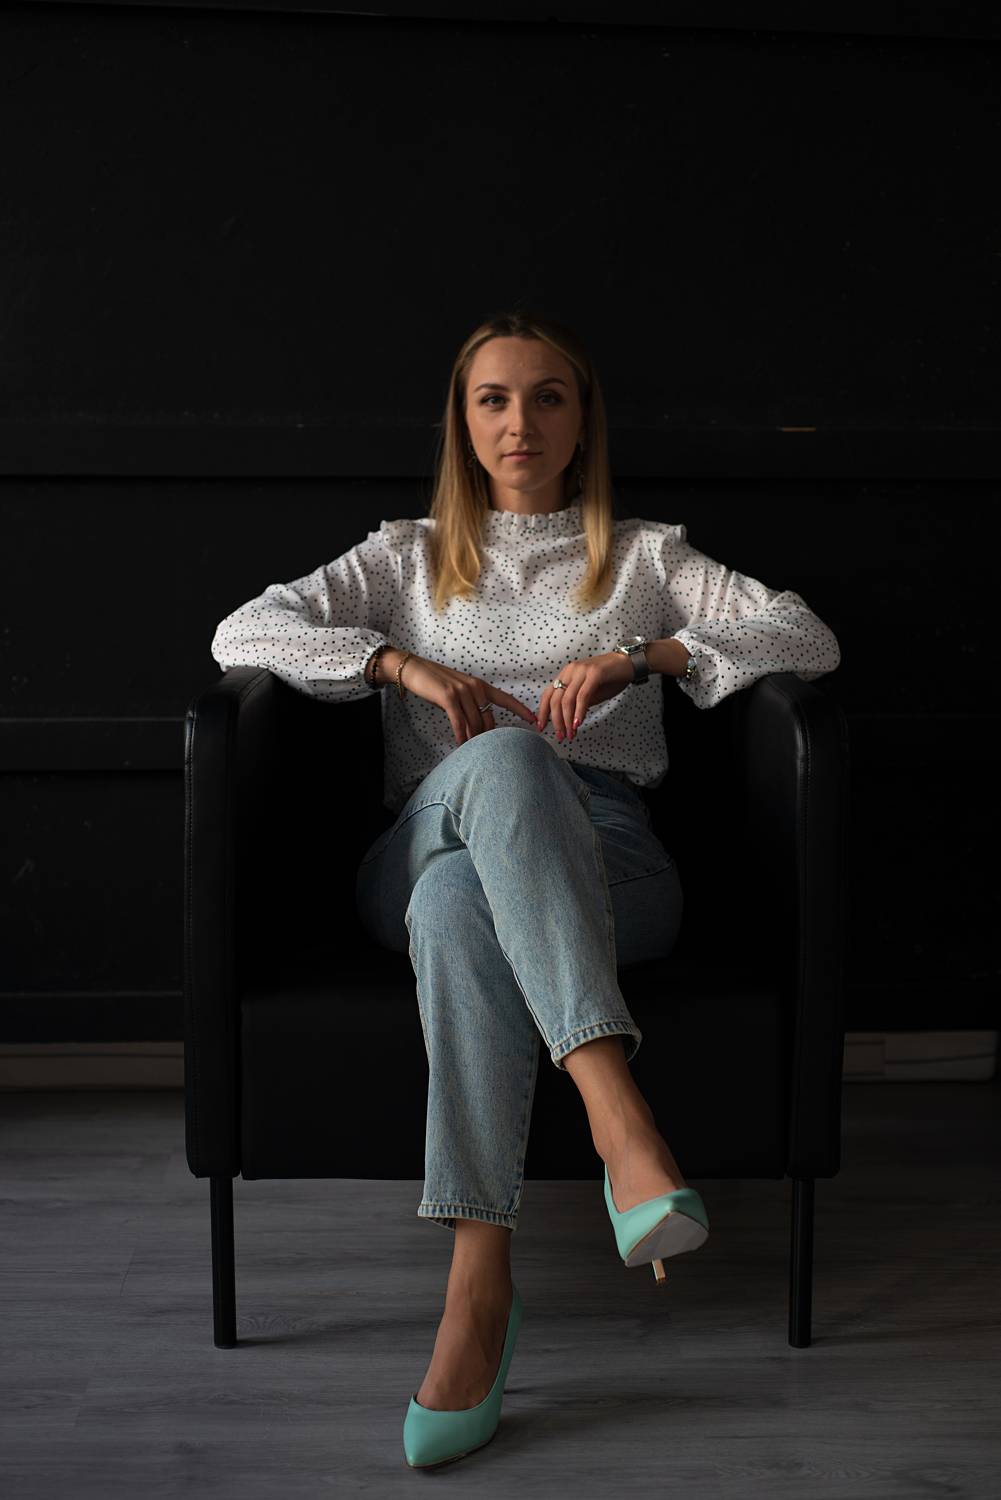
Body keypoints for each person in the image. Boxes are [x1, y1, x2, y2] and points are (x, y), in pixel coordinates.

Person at [210, 308, 842, 1460]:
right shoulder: (403, 557)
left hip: (610, 863)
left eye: (547, 396)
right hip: (425, 833)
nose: (519, 422)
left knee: (461, 906)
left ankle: (478, 1293)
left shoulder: (645, 558)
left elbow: (802, 637)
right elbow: (243, 633)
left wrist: (642, 657)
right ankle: (617, 1117)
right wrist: (399, 665)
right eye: (492, 399)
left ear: (581, 420)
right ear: (461, 422)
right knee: (496, 768)